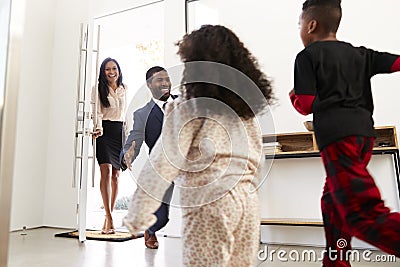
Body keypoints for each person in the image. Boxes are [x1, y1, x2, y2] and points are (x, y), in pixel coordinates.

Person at [122, 25, 274, 267]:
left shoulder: (189, 107)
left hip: (210, 202)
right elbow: (258, 158)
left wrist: (137, 215)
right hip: (247, 202)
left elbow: (163, 161)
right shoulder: (245, 110)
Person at [289, 0, 400, 266]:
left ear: (311, 25)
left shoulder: (307, 56)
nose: (300, 29)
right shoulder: (360, 54)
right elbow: (396, 62)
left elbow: (305, 104)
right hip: (364, 137)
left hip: (339, 139)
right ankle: (336, 261)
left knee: (362, 214)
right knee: (332, 201)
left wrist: (293, 97)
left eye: (300, 24)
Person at [120, 66, 177, 249]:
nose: (165, 83)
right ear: (149, 84)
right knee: (162, 216)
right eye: (160, 80)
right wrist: (127, 155)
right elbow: (134, 139)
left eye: (167, 79)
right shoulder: (142, 114)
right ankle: (151, 231)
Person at [92, 57, 127, 235]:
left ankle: (108, 216)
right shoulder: (98, 89)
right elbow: (97, 112)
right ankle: (110, 216)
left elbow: (125, 114)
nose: (111, 72)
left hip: (119, 132)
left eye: (114, 68)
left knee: (116, 176)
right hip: (104, 132)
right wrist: (98, 129)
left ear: (118, 71)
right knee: (105, 171)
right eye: (107, 69)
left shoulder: (123, 88)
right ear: (103, 72)